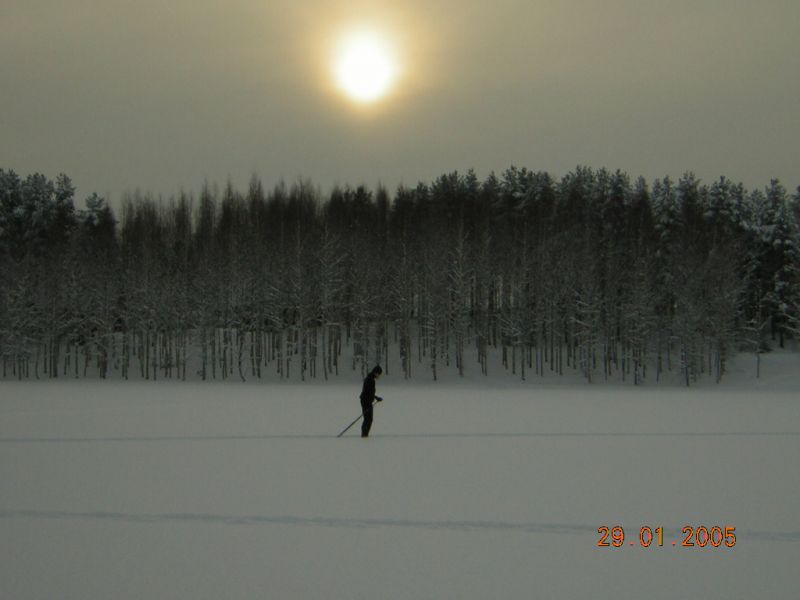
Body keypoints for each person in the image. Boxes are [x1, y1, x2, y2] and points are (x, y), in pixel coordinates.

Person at [360, 365, 383, 437]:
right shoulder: (370, 380)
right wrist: (372, 398)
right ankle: (364, 435)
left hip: (367, 401)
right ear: (376, 373)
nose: (379, 376)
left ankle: (365, 434)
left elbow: (370, 392)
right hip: (365, 401)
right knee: (368, 419)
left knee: (368, 419)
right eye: (379, 374)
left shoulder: (370, 379)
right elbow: (367, 392)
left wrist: (376, 397)